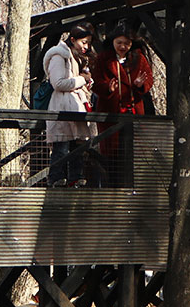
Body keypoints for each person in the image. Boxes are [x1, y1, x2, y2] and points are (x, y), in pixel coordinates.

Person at [92, 27, 153, 186]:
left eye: (127, 43)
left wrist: (140, 85)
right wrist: (108, 88)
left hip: (133, 111)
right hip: (110, 113)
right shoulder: (103, 59)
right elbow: (96, 82)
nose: (123, 46)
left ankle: (134, 186)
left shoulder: (139, 59)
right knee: (112, 152)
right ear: (112, 42)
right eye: (119, 42)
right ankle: (112, 187)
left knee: (134, 151)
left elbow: (149, 80)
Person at [43, 22, 96, 187]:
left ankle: (75, 178)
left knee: (77, 146)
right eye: (83, 42)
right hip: (62, 107)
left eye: (88, 42)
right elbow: (58, 83)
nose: (86, 46)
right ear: (73, 40)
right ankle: (56, 179)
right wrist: (82, 79)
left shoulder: (77, 58)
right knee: (61, 146)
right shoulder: (60, 55)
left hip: (74, 107)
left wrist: (86, 81)